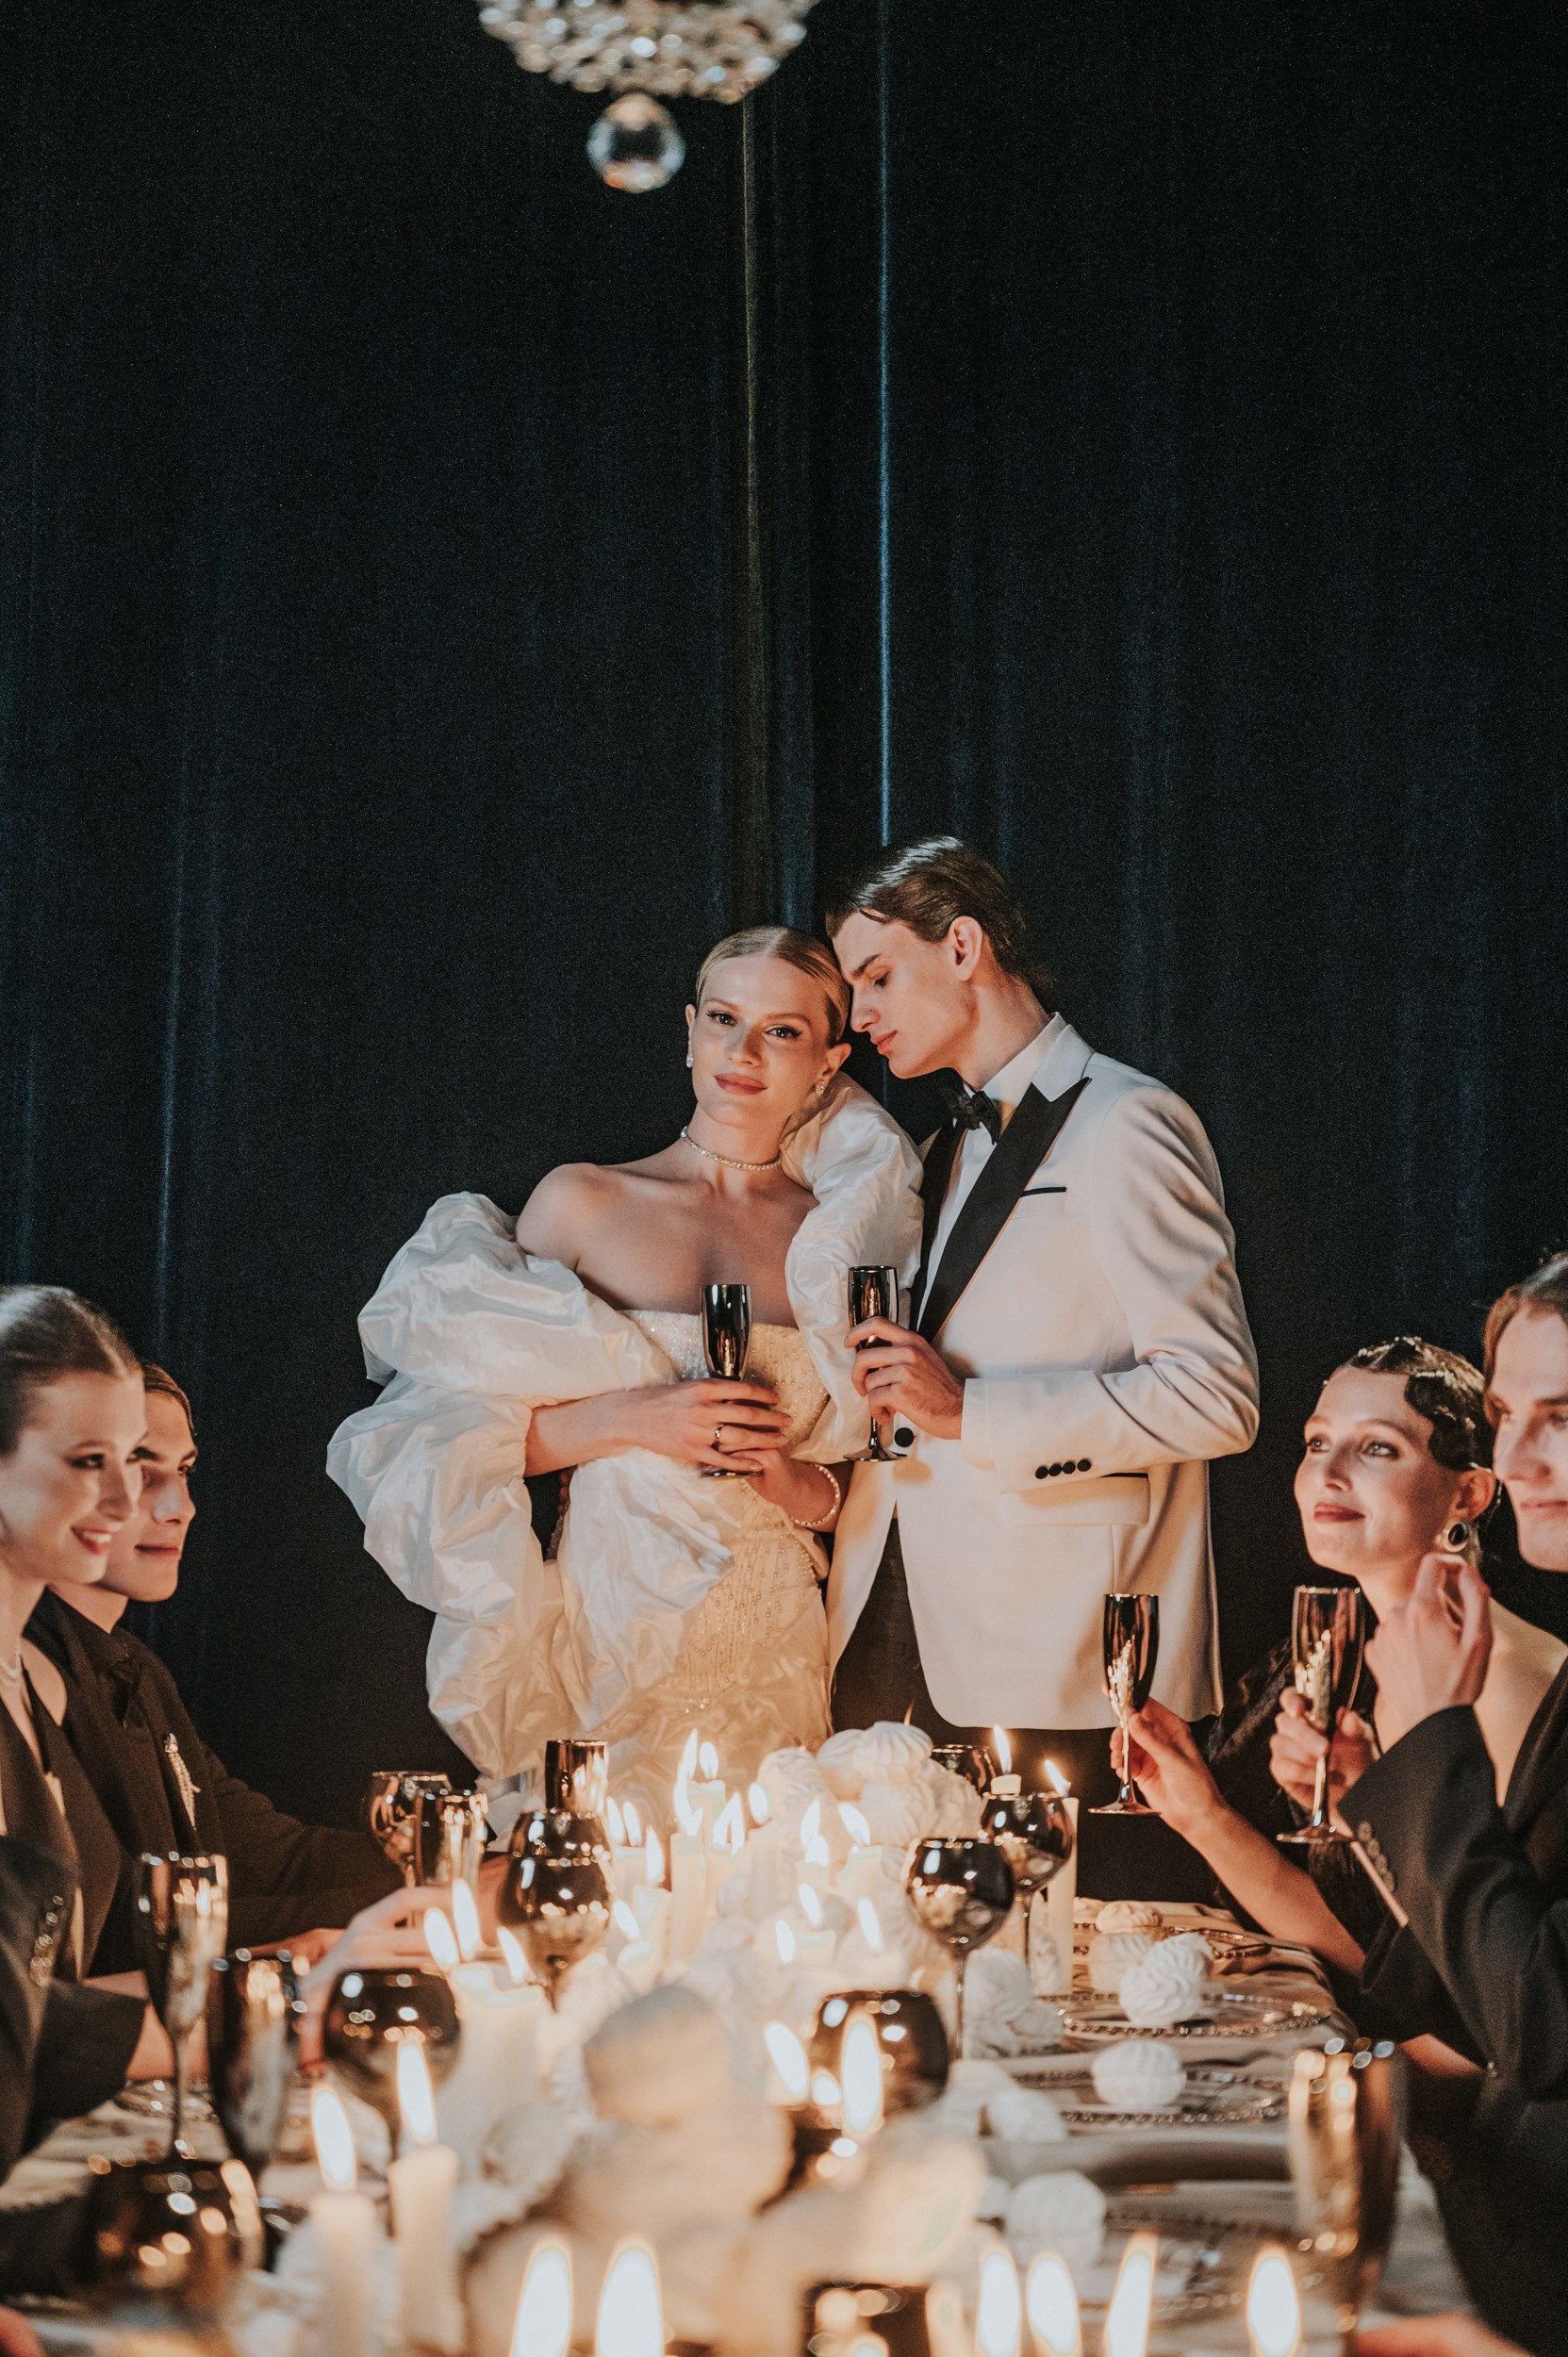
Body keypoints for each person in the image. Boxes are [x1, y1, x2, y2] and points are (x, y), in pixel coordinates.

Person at [329, 928, 922, 1818]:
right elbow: (443, 1443)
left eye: (782, 1032)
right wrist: (632, 1420)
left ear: (829, 1062)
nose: (743, 1051)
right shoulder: (585, 1202)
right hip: (611, 1626)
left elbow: (876, 1485)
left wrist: (789, 1479)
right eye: (723, 1019)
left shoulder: (840, 1241)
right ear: (689, 1029)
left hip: (779, 1637)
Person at [822, 838, 1258, 1878]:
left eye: (876, 977)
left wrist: (971, 1415)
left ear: (961, 945)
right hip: (896, 1626)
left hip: (1066, 1655)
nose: (860, 1014)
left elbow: (1217, 1396)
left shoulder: (1129, 1121)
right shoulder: (938, 1148)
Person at [1110, 1336, 1562, 1987]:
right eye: (1318, 1442)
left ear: (1468, 1494)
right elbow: (1394, 1954)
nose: (1328, 1473)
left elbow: (1499, 1996)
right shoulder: (1369, 1655)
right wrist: (1199, 1813)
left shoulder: (1508, 1681)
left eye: (1378, 1448)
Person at [1311, 1255, 1568, 2352]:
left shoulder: (1515, 1669)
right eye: (1507, 1418)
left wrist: (1426, 1748)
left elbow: (1534, 2027)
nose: (1515, 1460)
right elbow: (1472, 1974)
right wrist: (1381, 1799)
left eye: (1563, 1418)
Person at [25, 1361, 401, 1970]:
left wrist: (449, 1868)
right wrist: (421, 1904)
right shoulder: (27, 1680)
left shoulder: (139, 1669)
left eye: (184, 1471)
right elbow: (114, 1936)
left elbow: (269, 1859)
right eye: (141, 1470)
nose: (182, 1508)